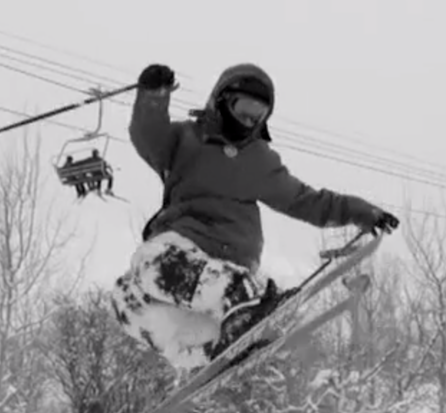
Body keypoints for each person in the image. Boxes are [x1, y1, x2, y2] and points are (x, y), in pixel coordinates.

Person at [111, 62, 399, 371]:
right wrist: (153, 96)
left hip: (226, 251)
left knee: (151, 261)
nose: (249, 120)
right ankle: (201, 352)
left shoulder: (258, 159)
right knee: (124, 298)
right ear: (221, 101)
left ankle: (241, 296)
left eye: (258, 115)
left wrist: (362, 213)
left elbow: (307, 201)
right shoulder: (187, 139)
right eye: (244, 109)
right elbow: (148, 137)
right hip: (185, 249)